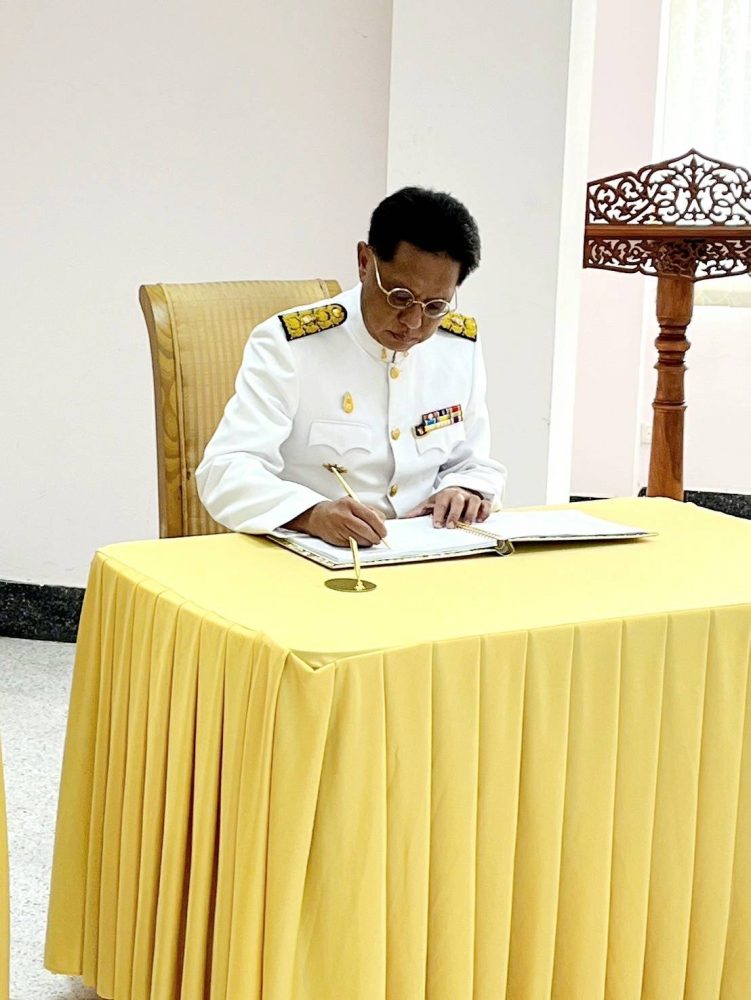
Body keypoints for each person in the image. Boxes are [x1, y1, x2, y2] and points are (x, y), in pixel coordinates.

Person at [196, 187, 507, 547]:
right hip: (319, 558)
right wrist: (310, 514)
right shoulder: (291, 346)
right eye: (400, 297)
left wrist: (465, 489)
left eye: (435, 306)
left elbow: (472, 463)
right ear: (364, 262)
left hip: (429, 555)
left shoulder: (458, 347)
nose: (413, 322)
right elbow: (225, 470)